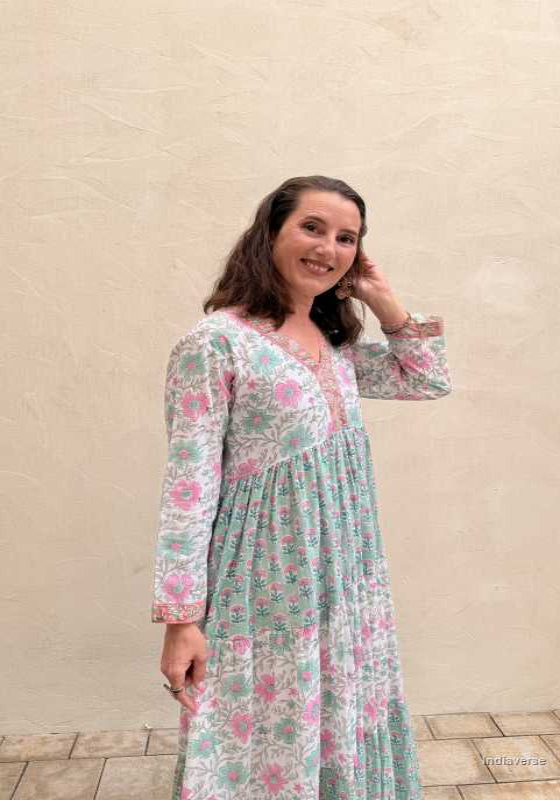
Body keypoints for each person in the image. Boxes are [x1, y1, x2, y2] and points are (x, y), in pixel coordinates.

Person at [151, 175, 452, 800]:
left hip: (345, 574)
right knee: (265, 736)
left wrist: (380, 296)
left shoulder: (334, 342)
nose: (328, 247)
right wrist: (180, 619)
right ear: (269, 234)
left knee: (337, 718)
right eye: (312, 228)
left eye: (347, 237)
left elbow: (425, 380)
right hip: (265, 583)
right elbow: (189, 484)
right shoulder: (215, 344)